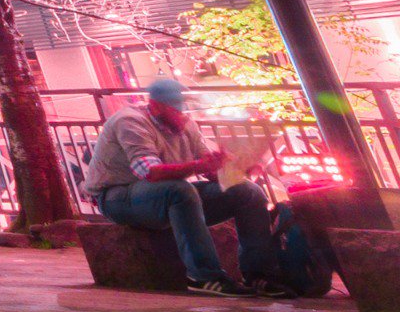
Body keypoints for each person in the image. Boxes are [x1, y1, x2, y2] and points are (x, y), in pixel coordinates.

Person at [85, 76, 275, 296]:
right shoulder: (130, 121)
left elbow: (205, 166)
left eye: (184, 110)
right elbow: (150, 172)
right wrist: (199, 165)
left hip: (166, 195)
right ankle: (204, 276)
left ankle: (260, 275)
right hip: (118, 197)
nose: (182, 116)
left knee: (248, 193)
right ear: (155, 106)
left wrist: (228, 168)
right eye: (175, 110)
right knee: (180, 190)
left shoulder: (187, 124)